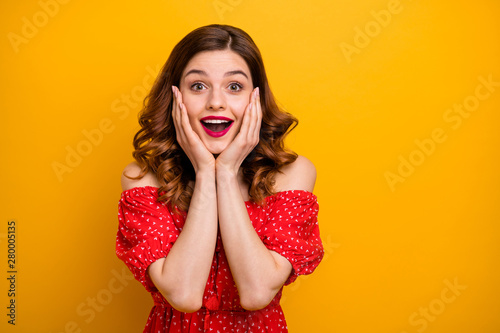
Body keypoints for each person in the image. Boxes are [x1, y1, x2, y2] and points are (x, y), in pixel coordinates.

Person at [115, 24, 324, 332]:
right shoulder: (142, 178)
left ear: (257, 98)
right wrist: (204, 171)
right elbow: (183, 294)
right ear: (176, 98)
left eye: (234, 87)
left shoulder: (293, 174)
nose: (216, 102)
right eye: (198, 86)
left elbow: (257, 292)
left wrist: (225, 172)